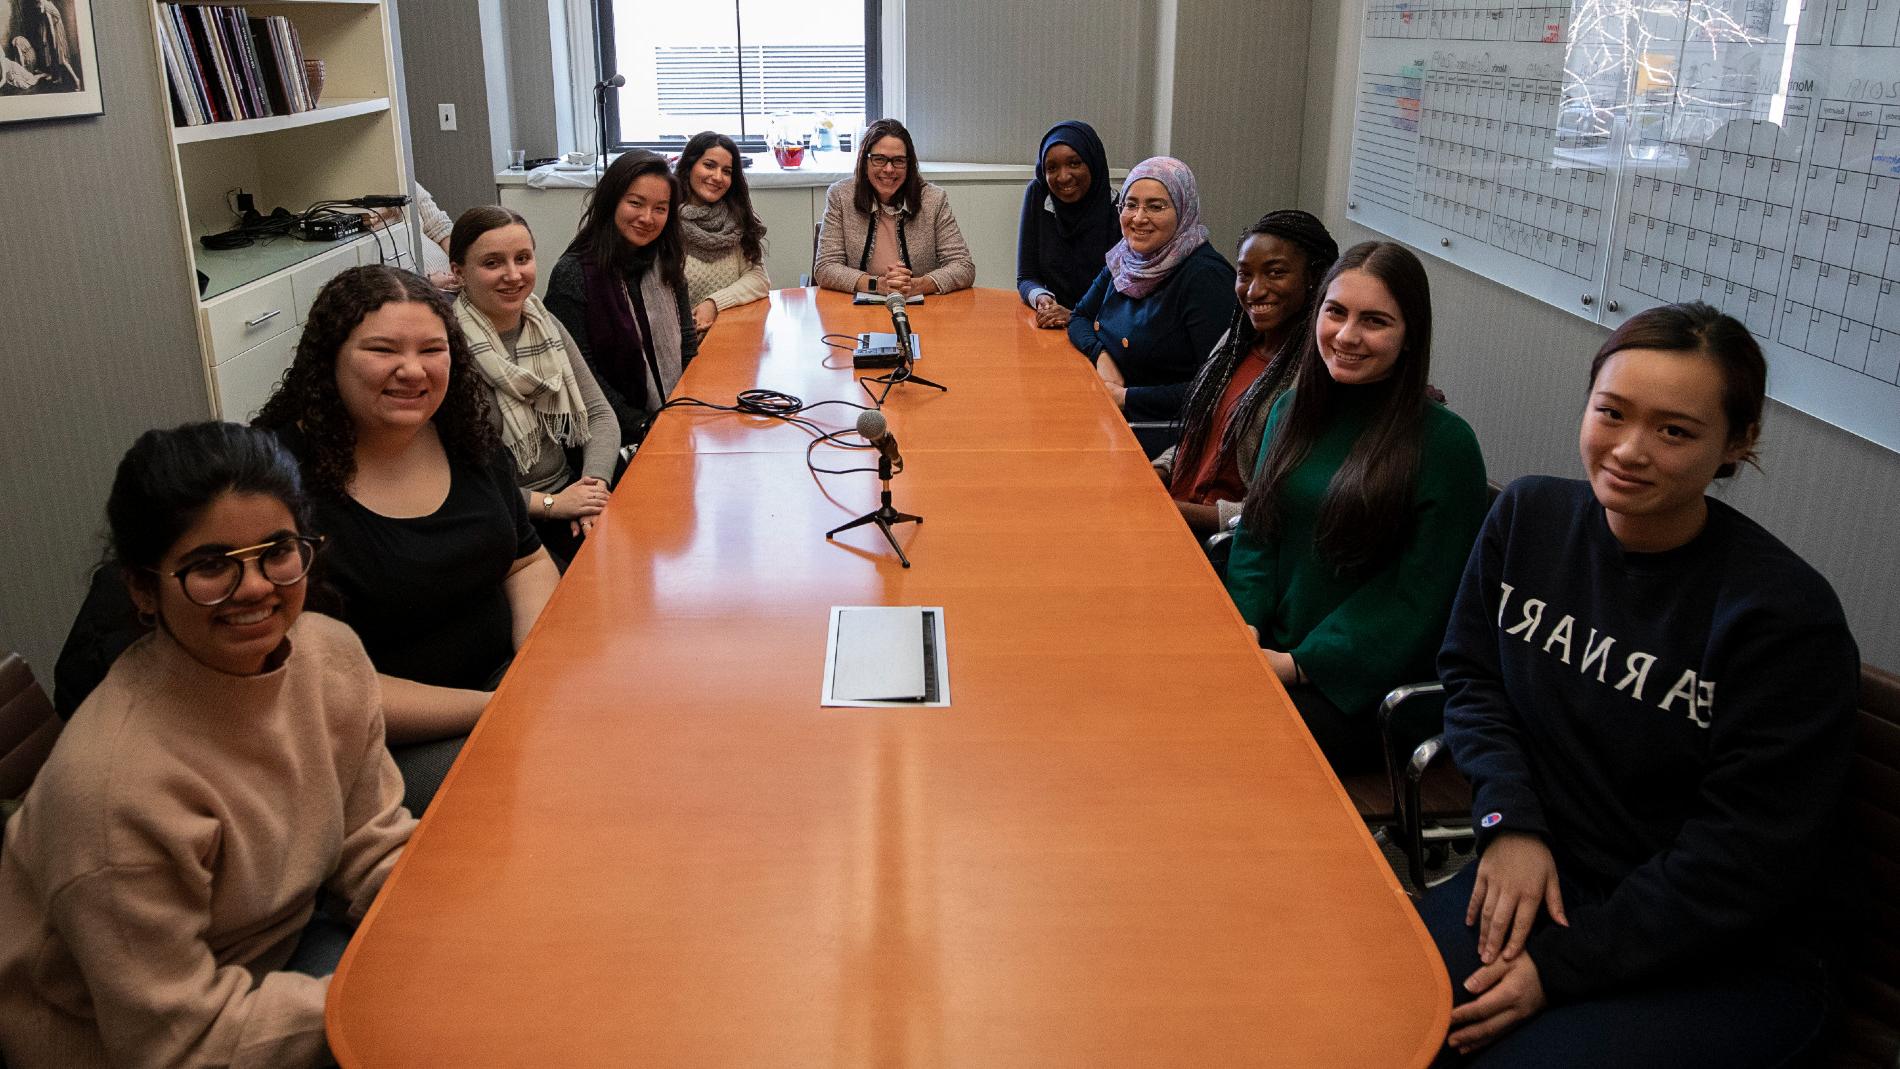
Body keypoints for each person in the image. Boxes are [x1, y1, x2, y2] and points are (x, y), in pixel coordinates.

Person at [1420, 302, 1856, 1067]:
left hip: (1725, 951)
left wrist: (1558, 968)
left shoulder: (1783, 617)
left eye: (1675, 431)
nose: (1628, 450)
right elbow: (1472, 675)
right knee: (1369, 1004)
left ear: (1738, 442)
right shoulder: (1529, 516)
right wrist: (1509, 819)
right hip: (1546, 876)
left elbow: (1742, 862)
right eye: (1611, 412)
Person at [0, 422, 414, 1068]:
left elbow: (371, 838)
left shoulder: (328, 655)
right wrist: (385, 999)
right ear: (142, 588)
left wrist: (446, 931)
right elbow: (179, 1042)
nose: (255, 587)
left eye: (278, 550)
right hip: (141, 1038)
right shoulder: (114, 785)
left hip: (282, 949)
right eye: (210, 565)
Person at [254, 265, 560, 809]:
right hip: (381, 742)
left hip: (505, 688)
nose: (412, 371)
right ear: (329, 360)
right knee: (538, 787)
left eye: (432, 350)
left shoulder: (466, 440)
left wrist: (532, 663)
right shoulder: (276, 485)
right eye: (383, 350)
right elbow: (317, 684)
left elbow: (525, 562)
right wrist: (497, 706)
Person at [1223, 241, 1488, 773]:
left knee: (1224, 742)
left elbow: (1417, 601)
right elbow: (1258, 533)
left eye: (1375, 321)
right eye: (1335, 312)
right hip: (1269, 650)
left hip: (1365, 686)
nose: (1346, 336)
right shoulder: (1291, 411)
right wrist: (1245, 629)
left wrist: (1298, 664)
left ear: (1410, 335)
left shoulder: (1445, 445)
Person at [449, 204, 619, 568]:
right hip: (498, 516)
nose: (513, 275)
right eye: (492, 263)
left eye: (522, 258)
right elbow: (464, 479)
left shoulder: (543, 321)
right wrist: (554, 507)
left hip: (570, 492)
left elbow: (600, 414)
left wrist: (592, 491)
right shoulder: (446, 347)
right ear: (458, 272)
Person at [1152, 210, 1339, 537]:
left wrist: (1174, 512)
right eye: (1245, 274)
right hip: (1173, 513)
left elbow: (1277, 511)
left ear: (1314, 277)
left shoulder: (1313, 375)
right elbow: (1201, 434)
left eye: (1275, 272)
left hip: (1217, 543)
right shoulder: (1235, 342)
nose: (1254, 291)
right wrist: (1160, 469)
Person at [545, 150, 699, 445]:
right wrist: (642, 425)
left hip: (675, 420)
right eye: (635, 203)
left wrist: (690, 408)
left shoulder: (666, 260)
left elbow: (687, 345)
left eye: (660, 208)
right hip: (607, 435)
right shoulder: (573, 272)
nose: (647, 218)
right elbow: (580, 374)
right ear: (612, 200)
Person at [1067, 157, 1233, 426]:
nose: (1139, 218)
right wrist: (1101, 355)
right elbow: (1079, 317)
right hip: (1109, 412)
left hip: (1159, 430)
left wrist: (1127, 398)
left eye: (1156, 207)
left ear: (1183, 210)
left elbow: (1218, 386)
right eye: (1130, 205)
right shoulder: (1125, 258)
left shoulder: (1205, 277)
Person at [813, 118, 975, 297]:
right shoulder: (841, 196)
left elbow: (963, 266)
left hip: (919, 311)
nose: (889, 169)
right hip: (857, 311)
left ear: (909, 164)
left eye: (898, 161)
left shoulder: (933, 199)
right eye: (879, 159)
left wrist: (919, 285)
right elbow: (825, 268)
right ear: (864, 162)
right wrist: (877, 285)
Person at [1016, 120, 1119, 329]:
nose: (1063, 177)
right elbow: (1026, 276)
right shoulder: (1038, 194)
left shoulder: (1120, 210)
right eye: (1051, 168)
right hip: (1053, 325)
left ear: (1093, 162)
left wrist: (1075, 316)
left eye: (1074, 163)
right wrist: (1041, 298)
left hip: (1104, 330)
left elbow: (1124, 296)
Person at [675, 131, 770, 339]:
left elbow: (758, 279)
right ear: (689, 166)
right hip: (682, 346)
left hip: (735, 339)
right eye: (709, 165)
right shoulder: (666, 220)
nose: (718, 177)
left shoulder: (737, 217)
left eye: (726, 171)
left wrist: (714, 303)